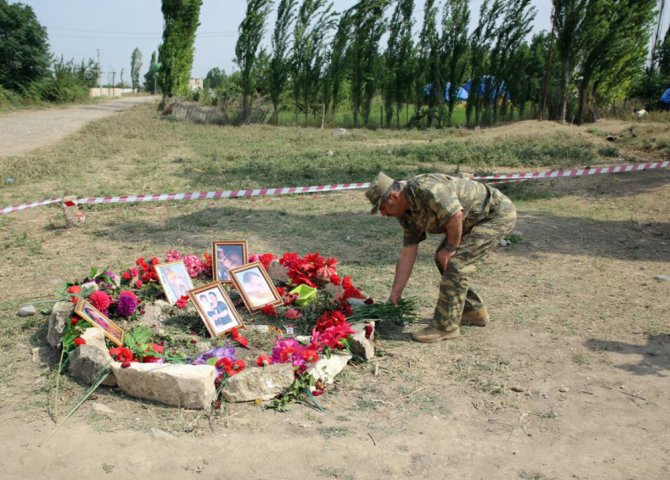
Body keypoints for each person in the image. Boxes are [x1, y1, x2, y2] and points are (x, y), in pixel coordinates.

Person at [366, 171, 516, 343]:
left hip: (494, 214)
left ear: (393, 196)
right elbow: (408, 252)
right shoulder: (406, 215)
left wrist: (450, 247)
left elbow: (455, 215)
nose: (383, 214)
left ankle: (445, 327)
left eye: (382, 208)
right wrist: (395, 293)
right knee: (442, 258)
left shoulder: (424, 188)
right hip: (470, 219)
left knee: (455, 263)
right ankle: (473, 311)